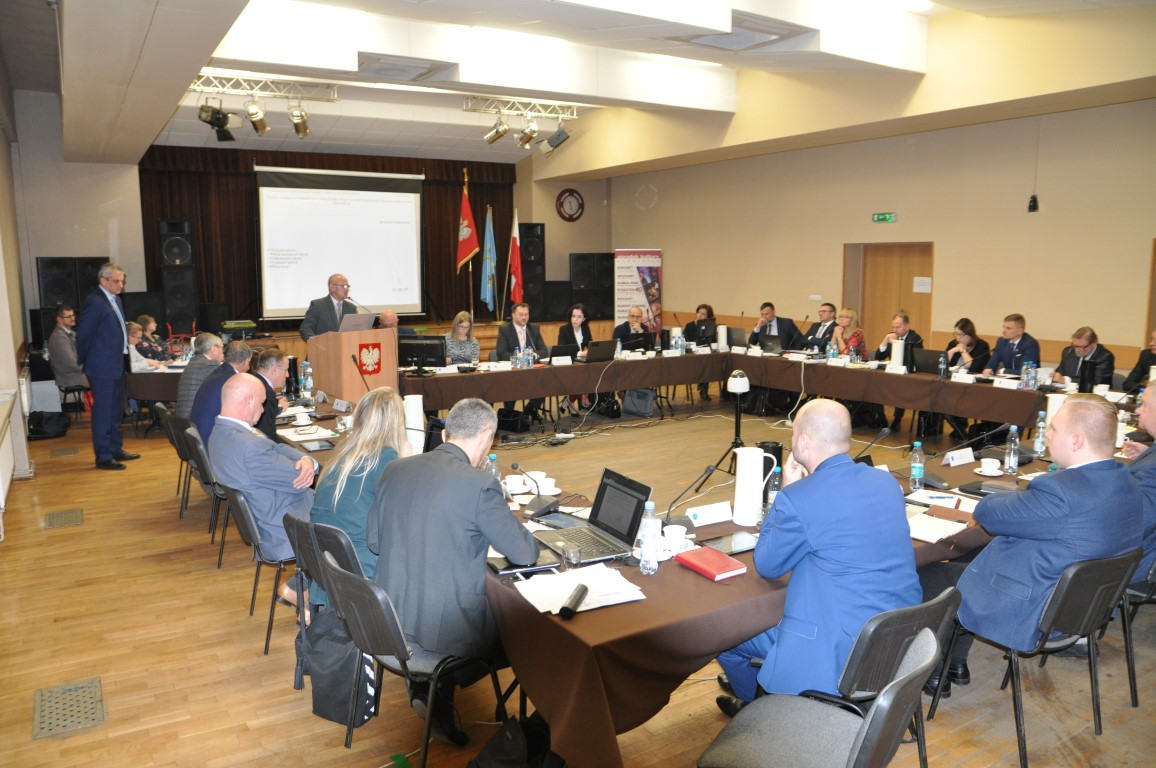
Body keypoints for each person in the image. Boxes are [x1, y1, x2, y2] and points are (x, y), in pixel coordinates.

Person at [920, 394, 1143, 696]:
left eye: (1054, 428)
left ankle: (933, 672)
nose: (1047, 434)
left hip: (1035, 609)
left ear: (1076, 440)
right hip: (1082, 607)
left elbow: (987, 513)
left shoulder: (1061, 492)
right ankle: (955, 662)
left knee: (926, 571)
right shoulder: (1125, 481)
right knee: (972, 556)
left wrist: (1020, 497)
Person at [715, 399, 921, 716]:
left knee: (725, 639)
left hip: (837, 650)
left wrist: (783, 492)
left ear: (802, 441)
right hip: (896, 637)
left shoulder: (799, 497)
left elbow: (767, 565)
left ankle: (755, 713)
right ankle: (763, 692)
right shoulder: (886, 483)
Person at [367, 398, 538, 744]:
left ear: (445, 434)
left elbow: (374, 541)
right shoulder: (479, 485)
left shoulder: (394, 469)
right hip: (442, 630)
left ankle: (428, 685)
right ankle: (443, 686)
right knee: (526, 630)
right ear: (487, 437)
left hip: (388, 619)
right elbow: (525, 554)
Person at [208, 373, 316, 610]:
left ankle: (304, 592)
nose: (264, 408)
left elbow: (276, 448)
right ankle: (303, 593)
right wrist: (307, 465)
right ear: (248, 401)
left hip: (266, 517)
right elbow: (299, 479)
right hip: (283, 526)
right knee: (350, 525)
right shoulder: (249, 445)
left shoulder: (220, 434)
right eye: (261, 402)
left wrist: (306, 459)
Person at [309, 387, 409, 609]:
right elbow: (406, 515)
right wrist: (406, 462)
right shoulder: (387, 459)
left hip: (328, 561)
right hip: (360, 565)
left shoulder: (342, 454)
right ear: (397, 423)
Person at [76, 262, 139, 470]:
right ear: (102, 281)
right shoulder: (94, 302)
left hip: (116, 363)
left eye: (122, 281)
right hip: (101, 366)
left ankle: (115, 449)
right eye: (116, 281)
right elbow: (83, 335)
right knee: (103, 412)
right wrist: (86, 360)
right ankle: (103, 457)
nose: (121, 285)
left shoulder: (116, 299)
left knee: (115, 410)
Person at [1122, 386, 1156, 591]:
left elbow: (1133, 527)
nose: (1137, 410)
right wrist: (1147, 454)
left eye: (1144, 405)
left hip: (1134, 565)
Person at [190, 340, 253, 444]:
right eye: (249, 363)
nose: (249, 367)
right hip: (210, 440)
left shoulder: (219, 372)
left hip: (197, 437)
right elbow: (241, 417)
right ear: (246, 361)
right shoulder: (233, 380)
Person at [941, 318, 992, 438]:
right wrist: (953, 350)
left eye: (961, 335)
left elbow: (974, 367)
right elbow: (942, 362)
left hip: (974, 387)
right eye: (956, 334)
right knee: (940, 396)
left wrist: (963, 351)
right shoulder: (953, 344)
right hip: (954, 384)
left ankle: (961, 430)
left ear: (970, 334)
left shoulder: (982, 346)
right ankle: (960, 429)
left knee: (952, 398)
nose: (958, 338)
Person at [496, 302, 548, 417]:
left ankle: (528, 412)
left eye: (526, 314)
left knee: (545, 383)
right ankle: (509, 416)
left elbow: (543, 351)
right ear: (513, 315)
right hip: (513, 372)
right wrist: (519, 359)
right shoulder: (505, 330)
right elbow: (501, 353)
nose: (524, 317)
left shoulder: (534, 329)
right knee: (511, 388)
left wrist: (533, 357)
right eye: (521, 314)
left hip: (532, 371)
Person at [874, 312, 924, 432]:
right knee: (875, 383)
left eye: (898, 327)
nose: (895, 330)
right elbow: (878, 357)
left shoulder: (915, 338)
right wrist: (885, 340)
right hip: (892, 374)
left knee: (901, 388)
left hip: (908, 376)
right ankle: (880, 417)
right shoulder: (891, 336)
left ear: (907, 326)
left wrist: (896, 343)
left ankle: (897, 420)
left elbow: (910, 359)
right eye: (893, 327)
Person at [175, 332, 224, 418]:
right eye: (222, 347)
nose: (223, 351)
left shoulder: (194, 362)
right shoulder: (210, 365)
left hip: (183, 419)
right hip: (194, 420)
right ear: (214, 349)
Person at [557, 304, 594, 414]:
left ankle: (567, 401)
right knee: (581, 377)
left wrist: (590, 351)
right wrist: (581, 353)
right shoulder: (564, 329)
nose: (575, 319)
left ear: (584, 319)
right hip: (567, 365)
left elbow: (591, 345)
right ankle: (570, 402)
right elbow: (562, 350)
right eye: (573, 316)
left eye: (579, 317)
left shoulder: (585, 328)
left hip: (580, 364)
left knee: (590, 375)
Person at [299, 273, 357, 340]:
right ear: (332, 287)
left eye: (348, 286)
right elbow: (306, 327)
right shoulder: (318, 305)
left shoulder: (351, 308)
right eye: (344, 286)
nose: (347, 289)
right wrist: (314, 341)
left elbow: (355, 330)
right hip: (323, 345)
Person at [252, 347, 290, 440]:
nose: (287, 375)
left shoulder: (254, 381)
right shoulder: (265, 392)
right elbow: (267, 435)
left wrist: (276, 405)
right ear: (274, 369)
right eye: (285, 370)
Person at [47, 305, 88, 389]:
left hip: (77, 375)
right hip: (72, 379)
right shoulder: (58, 338)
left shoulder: (71, 333)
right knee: (105, 378)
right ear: (59, 319)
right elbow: (72, 364)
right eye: (69, 317)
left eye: (73, 315)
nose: (73, 318)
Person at [683, 304, 715, 400]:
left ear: (708, 317)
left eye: (703, 314)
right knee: (703, 362)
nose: (700, 315)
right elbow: (685, 340)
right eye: (698, 313)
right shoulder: (689, 326)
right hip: (691, 354)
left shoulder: (711, 327)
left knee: (707, 362)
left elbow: (713, 341)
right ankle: (703, 388)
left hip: (704, 354)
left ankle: (703, 388)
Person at [1122, 329, 1156, 393]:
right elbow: (1128, 384)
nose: (1151, 343)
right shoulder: (1146, 355)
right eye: (1151, 339)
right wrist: (1145, 390)